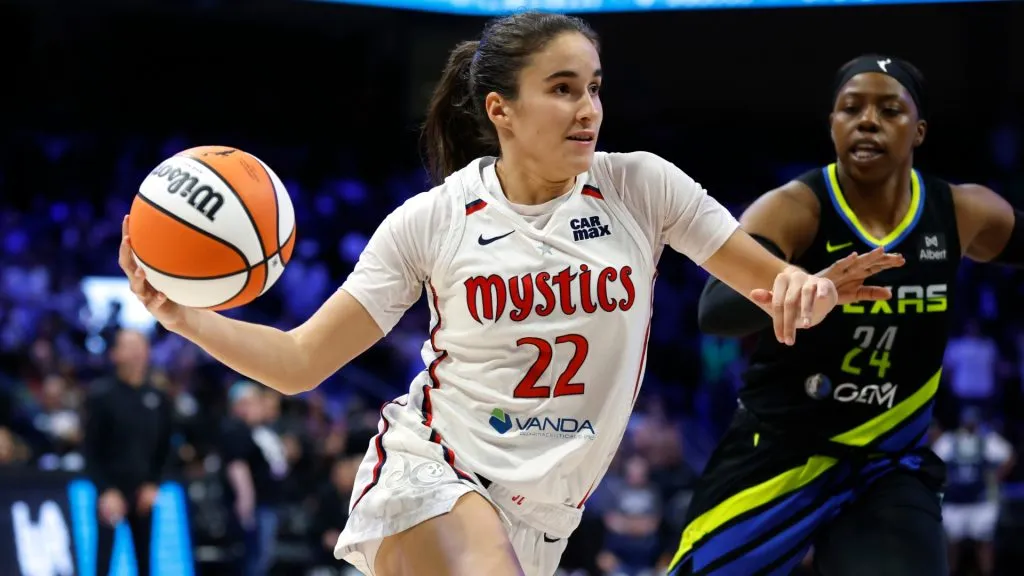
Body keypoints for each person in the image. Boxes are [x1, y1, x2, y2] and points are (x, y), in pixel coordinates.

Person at [117, 14, 899, 576]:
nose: (588, 108)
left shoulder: (639, 186)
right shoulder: (433, 221)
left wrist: (805, 290)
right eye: (562, 89)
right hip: (439, 471)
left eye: (593, 87)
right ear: (502, 110)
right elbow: (298, 363)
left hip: (548, 515)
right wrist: (184, 317)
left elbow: (765, 277)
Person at [671, 54, 1022, 576]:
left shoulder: (963, 211)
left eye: (890, 109)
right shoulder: (796, 207)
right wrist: (801, 286)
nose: (867, 120)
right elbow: (716, 312)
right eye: (850, 108)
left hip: (887, 462)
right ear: (832, 126)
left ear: (918, 129)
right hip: (780, 451)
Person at [83, 329, 172, 576]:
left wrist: (153, 484)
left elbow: (165, 446)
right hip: (111, 489)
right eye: (128, 346)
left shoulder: (157, 397)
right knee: (103, 560)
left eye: (140, 346)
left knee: (145, 561)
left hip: (143, 489)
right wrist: (105, 490)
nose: (135, 352)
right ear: (114, 354)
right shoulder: (102, 395)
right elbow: (90, 449)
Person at [933, 407, 1016, 575]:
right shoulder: (949, 440)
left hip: (981, 501)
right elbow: (934, 460)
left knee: (984, 542)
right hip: (955, 501)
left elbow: (1010, 456)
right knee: (951, 544)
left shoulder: (988, 439)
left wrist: (996, 477)